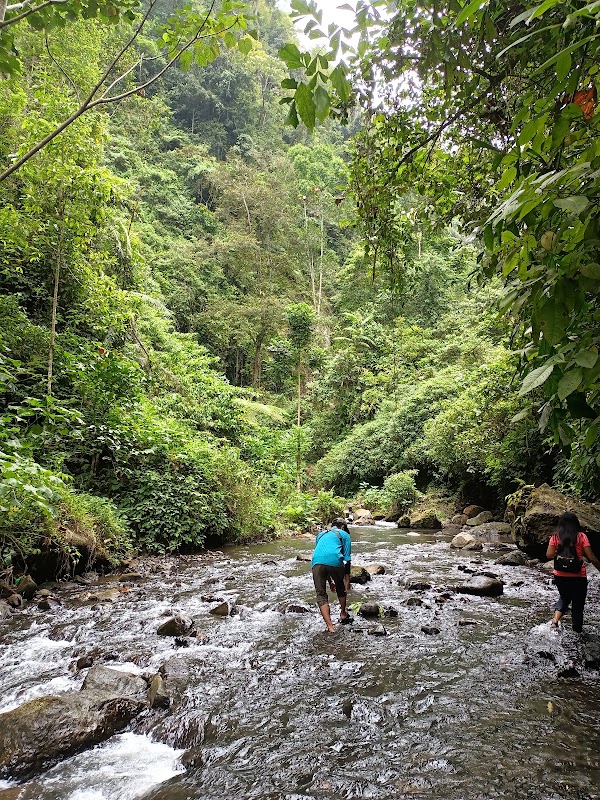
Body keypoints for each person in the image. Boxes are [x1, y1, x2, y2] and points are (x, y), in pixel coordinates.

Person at [546, 511, 600, 633]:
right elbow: (591, 557)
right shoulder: (581, 537)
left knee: (565, 598)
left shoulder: (555, 537)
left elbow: (549, 555)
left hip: (560, 576)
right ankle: (577, 634)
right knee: (577, 606)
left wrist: (560, 552)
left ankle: (554, 621)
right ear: (576, 524)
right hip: (578, 577)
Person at [312, 517, 352, 632]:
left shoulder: (320, 535)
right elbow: (347, 559)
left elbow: (323, 555)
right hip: (335, 561)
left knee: (321, 594)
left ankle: (330, 627)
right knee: (340, 587)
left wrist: (330, 582)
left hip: (316, 562)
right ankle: (343, 613)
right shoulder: (344, 534)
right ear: (343, 527)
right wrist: (347, 581)